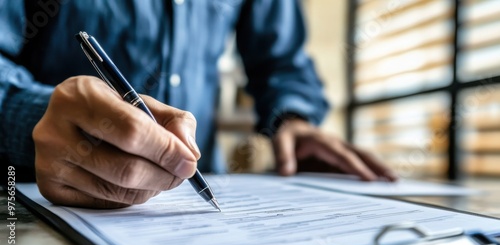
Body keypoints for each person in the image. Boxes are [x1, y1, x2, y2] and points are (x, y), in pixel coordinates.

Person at [0, 0, 396, 208]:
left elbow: (282, 62)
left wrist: (293, 117)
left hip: (207, 185)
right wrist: (35, 117)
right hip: (42, 199)